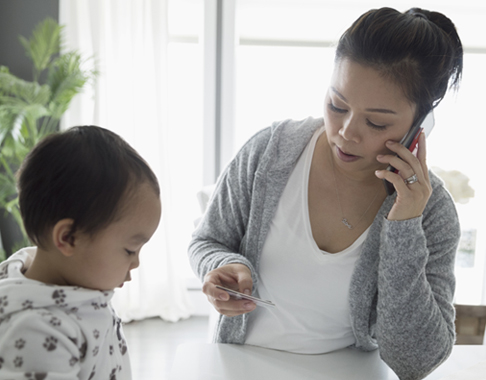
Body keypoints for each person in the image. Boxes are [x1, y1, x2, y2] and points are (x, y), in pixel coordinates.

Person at [189, 7, 463, 380]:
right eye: (337, 105)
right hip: (240, 368)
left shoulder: (432, 211)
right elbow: (207, 240)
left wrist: (405, 224)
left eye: (377, 122)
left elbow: (415, 360)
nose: (347, 132)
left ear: (419, 125)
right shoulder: (271, 151)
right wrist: (221, 267)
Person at [0, 126, 161, 379]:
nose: (135, 263)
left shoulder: (77, 290)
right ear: (68, 238)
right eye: (130, 250)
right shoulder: (34, 334)